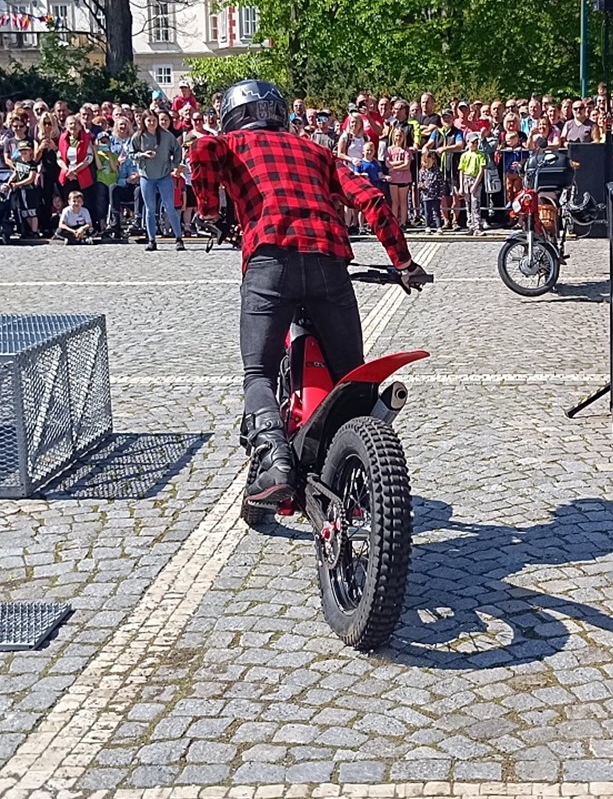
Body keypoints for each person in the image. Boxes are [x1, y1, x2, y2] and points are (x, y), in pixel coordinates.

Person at [190, 80, 430, 510]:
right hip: (328, 263)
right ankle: (356, 471)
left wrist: (208, 210)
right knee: (352, 376)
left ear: (232, 116)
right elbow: (373, 200)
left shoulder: (233, 143)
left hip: (270, 262)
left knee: (258, 374)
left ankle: (276, 460)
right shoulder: (316, 152)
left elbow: (203, 149)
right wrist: (404, 264)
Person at [135, 111, 185, 251]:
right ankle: (151, 240)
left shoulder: (167, 135)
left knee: (170, 207)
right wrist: (143, 155)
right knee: (150, 209)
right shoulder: (138, 137)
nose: (152, 123)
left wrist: (174, 165)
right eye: (149, 120)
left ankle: (178, 238)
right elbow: (131, 153)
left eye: (154, 120)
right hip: (147, 177)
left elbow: (177, 150)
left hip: (164, 176)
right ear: (144, 122)